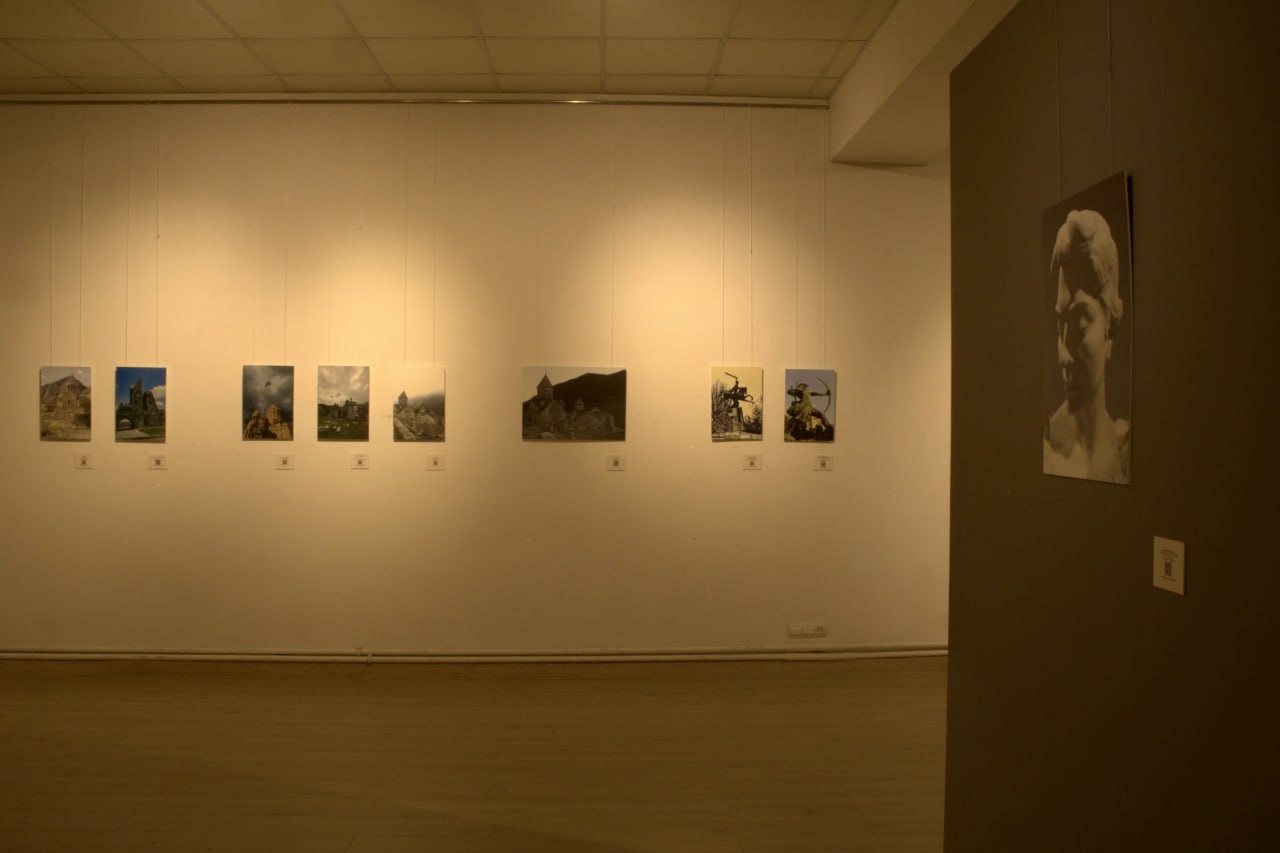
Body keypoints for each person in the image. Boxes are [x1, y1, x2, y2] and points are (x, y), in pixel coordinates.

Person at [1044, 208, 1129, 483]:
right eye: (1060, 326)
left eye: (1080, 325)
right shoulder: (1047, 450)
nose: (1063, 355)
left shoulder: (1126, 452)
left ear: (1110, 332)